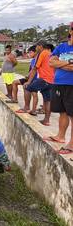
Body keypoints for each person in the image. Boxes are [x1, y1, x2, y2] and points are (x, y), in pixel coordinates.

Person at [46, 22, 73, 154]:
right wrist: (69, 62)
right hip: (59, 83)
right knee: (62, 111)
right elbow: (51, 62)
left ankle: (72, 144)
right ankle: (60, 136)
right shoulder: (62, 47)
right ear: (71, 31)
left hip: (71, 85)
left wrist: (59, 64)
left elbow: (56, 63)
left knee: (72, 114)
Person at [24, 41, 55, 126]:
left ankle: (26, 107)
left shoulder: (42, 53)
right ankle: (46, 120)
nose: (36, 48)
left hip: (44, 79)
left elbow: (35, 68)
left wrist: (29, 81)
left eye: (36, 47)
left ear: (40, 46)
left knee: (27, 87)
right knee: (47, 101)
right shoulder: (51, 53)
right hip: (51, 81)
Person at [8, 45, 38, 111]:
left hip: (34, 79)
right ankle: (15, 99)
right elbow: (31, 70)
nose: (29, 54)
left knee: (31, 91)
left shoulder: (37, 60)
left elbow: (34, 70)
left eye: (30, 52)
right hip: (29, 78)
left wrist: (28, 78)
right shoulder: (33, 60)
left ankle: (29, 108)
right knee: (14, 82)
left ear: (35, 52)